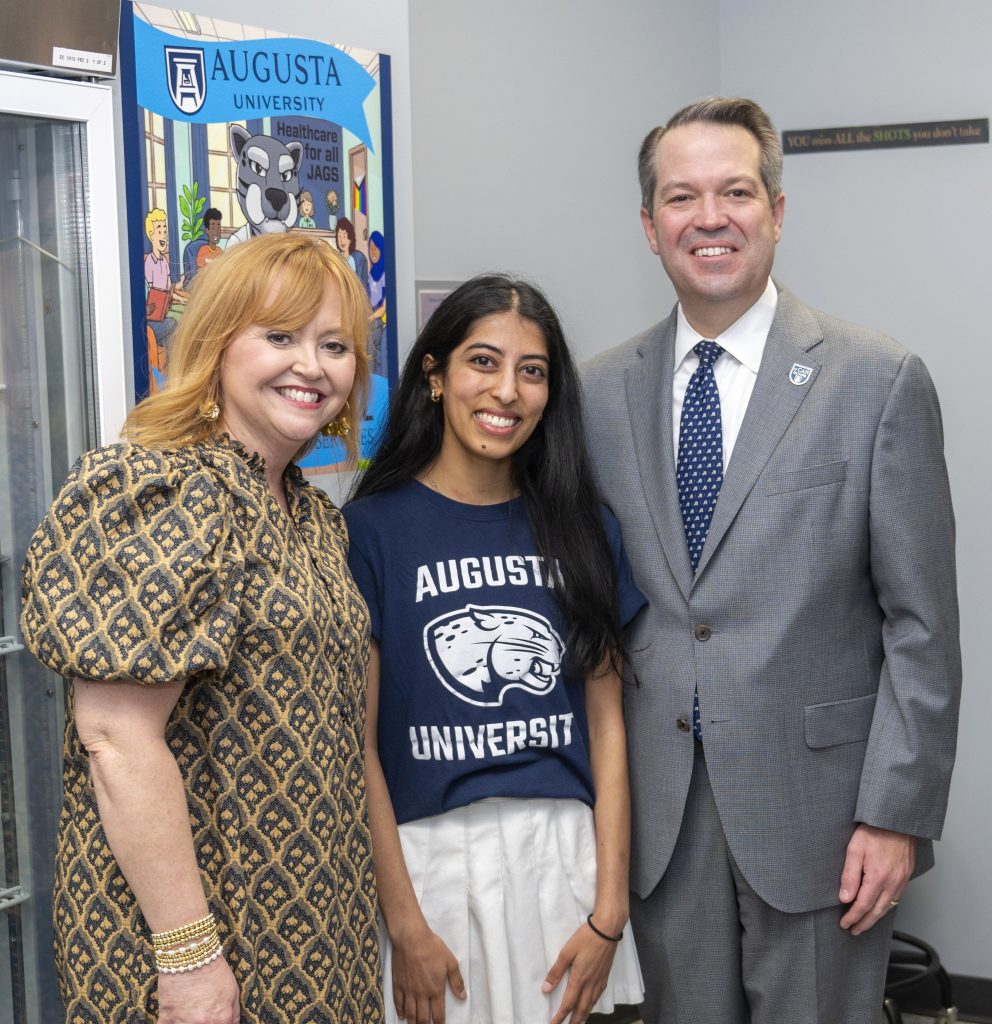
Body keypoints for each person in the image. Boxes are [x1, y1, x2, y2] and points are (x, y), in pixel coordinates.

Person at [581, 96, 962, 1023]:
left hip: (825, 817)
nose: (709, 218)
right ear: (649, 225)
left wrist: (897, 811)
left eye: (736, 192)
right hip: (663, 819)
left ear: (778, 213)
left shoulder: (876, 380)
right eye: (681, 198)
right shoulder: (596, 394)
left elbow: (922, 625)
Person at [20, 233, 383, 1024]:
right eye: (280, 337)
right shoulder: (163, 488)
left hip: (317, 926)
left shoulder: (312, 516)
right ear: (217, 344)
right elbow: (115, 738)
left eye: (335, 346)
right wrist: (189, 958)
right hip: (198, 940)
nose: (312, 366)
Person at [344, 276, 645, 1024]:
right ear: (436, 375)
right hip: (430, 872)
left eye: (532, 371)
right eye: (483, 362)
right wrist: (405, 921)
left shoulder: (583, 528)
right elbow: (359, 748)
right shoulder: (370, 532)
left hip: (563, 866)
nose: (506, 391)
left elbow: (607, 726)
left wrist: (610, 909)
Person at [183, 206, 224, 284]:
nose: (216, 232)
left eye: (218, 227)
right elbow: (199, 276)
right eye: (213, 227)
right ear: (207, 230)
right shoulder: (203, 250)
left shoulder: (220, 252)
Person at [366, 229, 387, 371]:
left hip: (381, 320)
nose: (373, 253)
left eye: (376, 248)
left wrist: (371, 317)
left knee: (373, 351)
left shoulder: (386, 273)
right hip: (372, 317)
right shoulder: (371, 273)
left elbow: (384, 306)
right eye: (371, 248)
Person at [336, 216, 369, 291]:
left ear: (350, 240)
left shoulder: (354, 259)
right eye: (339, 236)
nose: (341, 240)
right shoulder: (337, 258)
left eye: (344, 236)